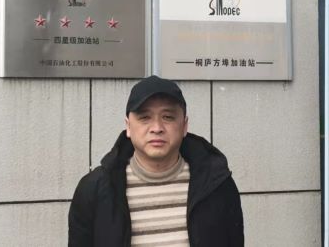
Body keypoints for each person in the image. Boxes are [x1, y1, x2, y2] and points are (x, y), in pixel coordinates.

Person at [68, 75, 244, 246]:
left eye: (168, 117)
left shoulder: (217, 185)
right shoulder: (94, 190)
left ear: (184, 126)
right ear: (128, 126)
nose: (157, 128)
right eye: (145, 117)